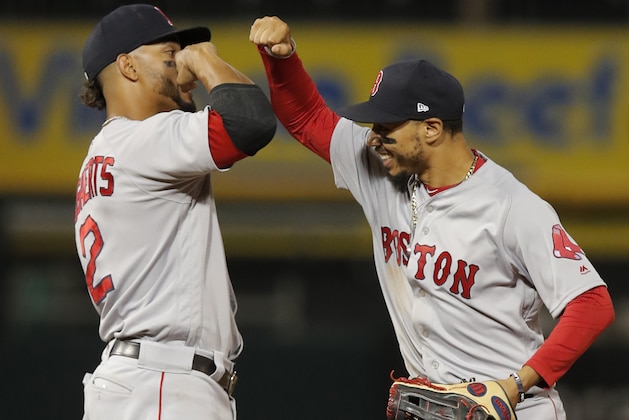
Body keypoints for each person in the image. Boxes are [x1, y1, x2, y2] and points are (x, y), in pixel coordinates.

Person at [249, 16, 615, 419]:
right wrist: (281, 60)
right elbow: (306, 119)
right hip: (433, 406)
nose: (373, 136)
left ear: (432, 128)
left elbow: (592, 304)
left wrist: (513, 386)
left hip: (514, 409)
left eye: (386, 125)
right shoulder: (380, 169)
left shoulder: (510, 206)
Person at [74, 5, 276, 420]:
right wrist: (204, 59)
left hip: (139, 380)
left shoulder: (102, 155)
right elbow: (250, 122)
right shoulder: (146, 139)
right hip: (164, 382)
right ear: (127, 66)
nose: (181, 60)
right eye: (169, 54)